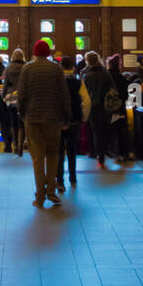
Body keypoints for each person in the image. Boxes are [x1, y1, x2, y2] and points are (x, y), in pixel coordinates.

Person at [17, 40, 71, 206]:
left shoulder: (27, 68)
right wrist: (67, 117)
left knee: (38, 158)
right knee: (53, 155)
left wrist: (22, 113)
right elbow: (64, 95)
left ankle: (40, 195)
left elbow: (21, 95)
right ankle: (51, 191)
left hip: (32, 119)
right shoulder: (56, 68)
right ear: (48, 53)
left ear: (34, 52)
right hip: (53, 119)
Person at [57, 56, 85, 191]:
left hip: (59, 120)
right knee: (72, 151)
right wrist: (83, 117)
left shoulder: (57, 81)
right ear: (73, 67)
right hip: (75, 120)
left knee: (59, 152)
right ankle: (73, 179)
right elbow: (87, 101)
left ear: (61, 67)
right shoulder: (78, 82)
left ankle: (60, 181)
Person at [81, 51, 112, 166]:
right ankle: (104, 151)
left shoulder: (86, 75)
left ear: (88, 61)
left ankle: (99, 155)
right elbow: (112, 88)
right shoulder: (106, 74)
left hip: (93, 107)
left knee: (96, 132)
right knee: (105, 130)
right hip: (106, 106)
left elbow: (82, 92)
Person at [106, 54, 132, 162]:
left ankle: (115, 153)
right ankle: (125, 153)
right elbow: (126, 95)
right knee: (122, 131)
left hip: (111, 109)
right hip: (121, 108)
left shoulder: (107, 76)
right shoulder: (122, 78)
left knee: (113, 131)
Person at [1, 48, 26, 154]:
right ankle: (21, 144)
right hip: (23, 97)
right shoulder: (26, 67)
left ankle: (15, 144)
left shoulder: (8, 68)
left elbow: (5, 85)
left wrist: (3, 96)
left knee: (13, 122)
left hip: (11, 98)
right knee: (22, 122)